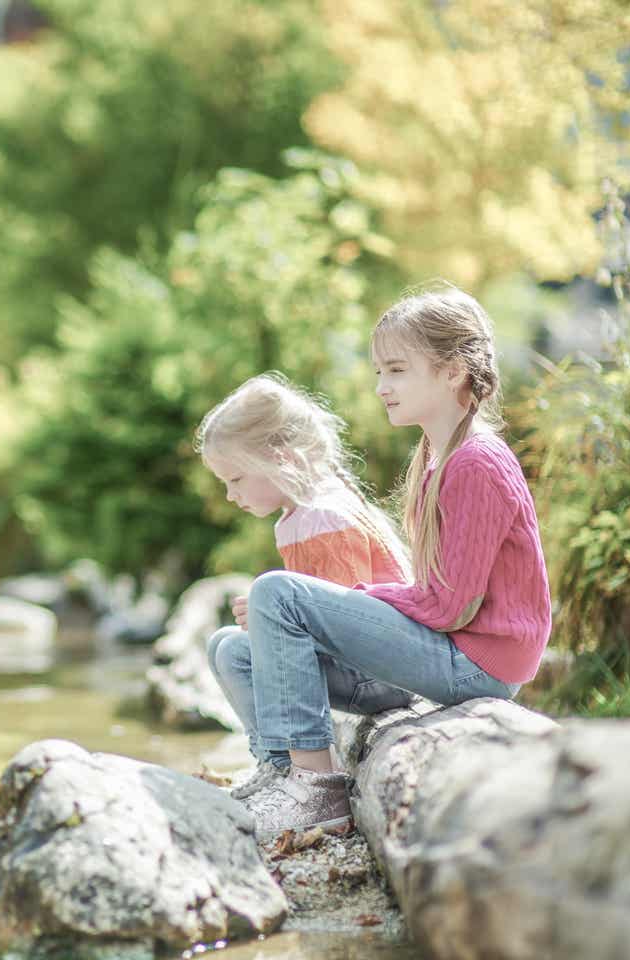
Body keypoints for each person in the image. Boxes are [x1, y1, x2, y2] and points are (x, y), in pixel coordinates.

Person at [209, 283, 552, 839]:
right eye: (378, 373)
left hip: (480, 664)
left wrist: (356, 601)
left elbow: (450, 604)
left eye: (395, 370)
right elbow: (442, 593)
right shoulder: (436, 458)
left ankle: (317, 790)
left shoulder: (477, 462)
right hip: (456, 649)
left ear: (452, 371)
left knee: (279, 592)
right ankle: (281, 771)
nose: (380, 387)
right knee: (238, 647)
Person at [197, 373, 415, 809]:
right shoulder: (297, 519)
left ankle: (306, 774)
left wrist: (270, 623)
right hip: (363, 667)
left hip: (382, 673)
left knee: (234, 650)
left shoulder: (323, 516)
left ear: (279, 458)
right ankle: (276, 765)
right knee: (225, 645)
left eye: (236, 479)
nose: (230, 495)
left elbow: (351, 621)